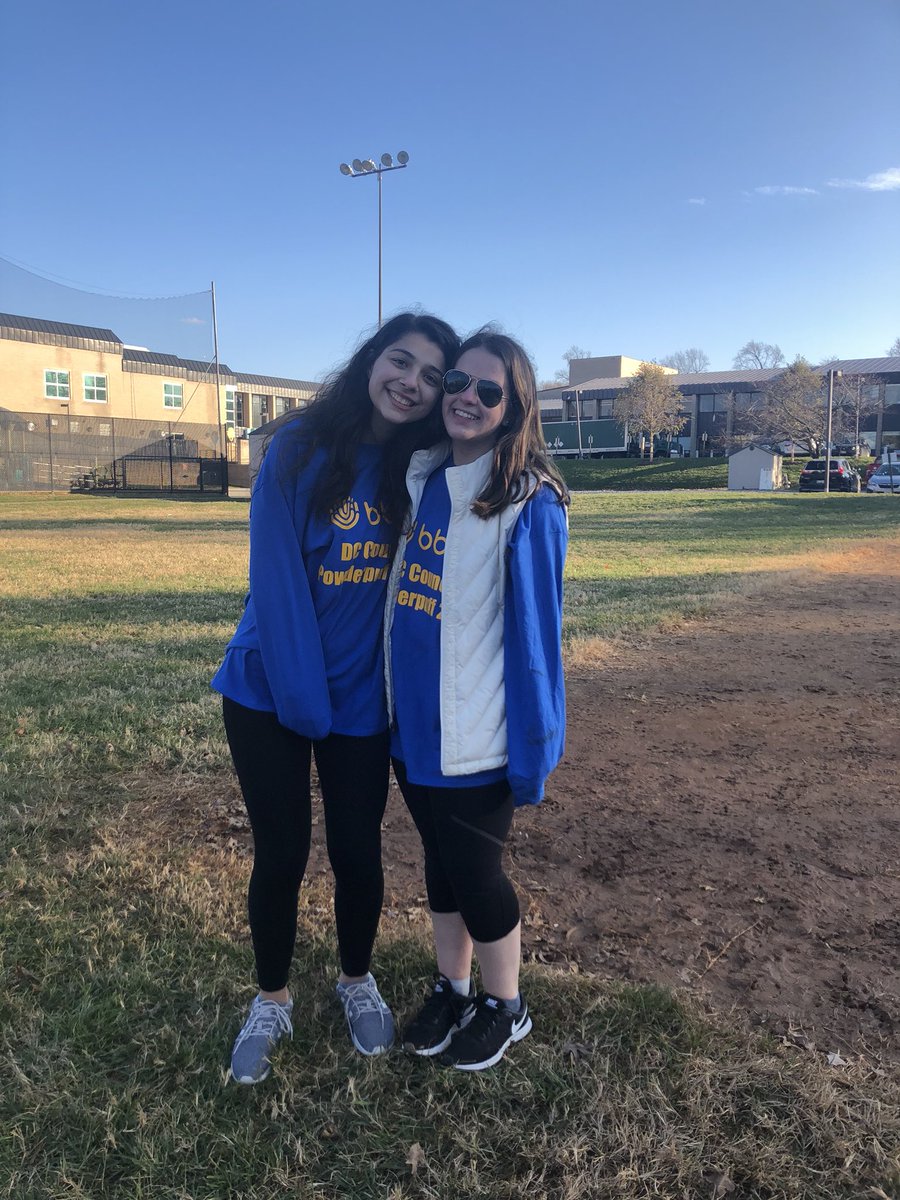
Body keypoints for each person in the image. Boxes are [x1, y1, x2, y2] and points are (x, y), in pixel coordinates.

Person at [212, 312, 459, 1084]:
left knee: (358, 851)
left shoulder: (420, 469)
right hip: (268, 689)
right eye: (400, 361)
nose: (411, 383)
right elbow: (276, 583)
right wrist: (304, 703)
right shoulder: (296, 447)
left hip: (360, 698)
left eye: (431, 376)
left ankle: (357, 980)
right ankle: (272, 999)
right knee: (281, 852)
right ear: (370, 360)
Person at [384, 328, 569, 1071]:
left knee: (479, 878)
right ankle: (454, 987)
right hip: (413, 729)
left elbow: (537, 641)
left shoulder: (528, 503)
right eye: (458, 380)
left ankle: (506, 1005)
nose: (467, 397)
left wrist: (534, 748)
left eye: (488, 390)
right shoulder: (424, 477)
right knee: (440, 867)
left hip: (478, 737)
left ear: (514, 408)